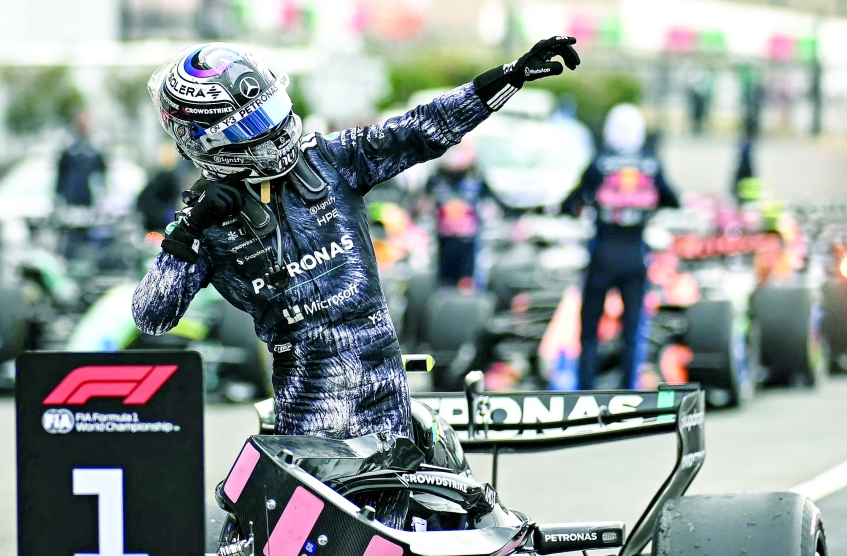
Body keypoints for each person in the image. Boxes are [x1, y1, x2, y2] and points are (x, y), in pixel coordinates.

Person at [133, 38, 579, 439]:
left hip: (388, 402)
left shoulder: (332, 159)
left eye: (269, 113)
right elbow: (151, 316)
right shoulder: (201, 224)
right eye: (249, 127)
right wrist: (187, 231)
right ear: (201, 140)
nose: (272, 132)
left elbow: (424, 128)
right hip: (307, 418)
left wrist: (510, 76)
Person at [560, 103, 679, 390]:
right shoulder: (650, 164)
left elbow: (571, 202)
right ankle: (629, 389)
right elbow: (673, 199)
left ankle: (585, 388)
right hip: (635, 253)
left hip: (602, 252)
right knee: (632, 329)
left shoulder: (600, 162)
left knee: (589, 330)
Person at [422, 138, 503, 290]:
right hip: (444, 240)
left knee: (468, 280)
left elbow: (496, 202)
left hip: (469, 242)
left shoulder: (476, 176)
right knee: (444, 280)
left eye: (463, 149)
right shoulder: (437, 177)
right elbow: (420, 203)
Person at [55, 112, 107, 208]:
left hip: (91, 199)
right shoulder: (69, 150)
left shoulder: (96, 150)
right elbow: (61, 176)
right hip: (70, 198)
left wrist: (102, 196)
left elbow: (102, 175)